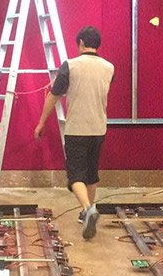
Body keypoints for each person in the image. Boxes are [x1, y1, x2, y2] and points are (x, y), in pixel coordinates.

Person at [35, 26, 114, 240]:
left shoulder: (70, 66)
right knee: (91, 173)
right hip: (99, 129)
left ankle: (88, 210)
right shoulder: (109, 68)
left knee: (75, 176)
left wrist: (41, 123)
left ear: (81, 43)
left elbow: (53, 96)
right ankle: (86, 212)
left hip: (77, 129)